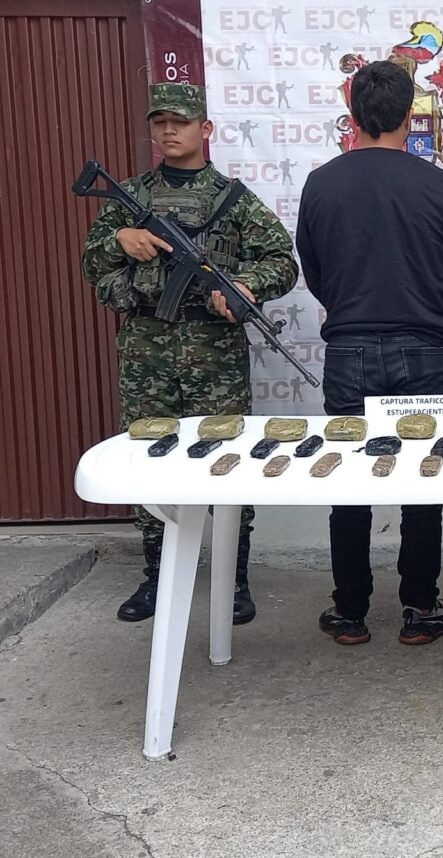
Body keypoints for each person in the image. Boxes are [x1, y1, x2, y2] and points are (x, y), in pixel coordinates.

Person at [80, 83, 299, 624]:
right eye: (160, 122)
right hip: (146, 350)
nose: (169, 130)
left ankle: (232, 578)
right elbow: (92, 268)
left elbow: (282, 261)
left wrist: (246, 285)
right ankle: (156, 575)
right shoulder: (131, 196)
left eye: (180, 121)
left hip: (215, 352)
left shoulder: (233, 199)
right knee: (147, 458)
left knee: (229, 461)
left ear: (205, 129)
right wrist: (118, 241)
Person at [295, 60, 443, 646]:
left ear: (353, 114)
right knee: (423, 480)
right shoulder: (437, 184)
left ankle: (350, 611)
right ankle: (420, 606)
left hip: (349, 347)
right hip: (424, 348)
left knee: (349, 482)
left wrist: (352, 308)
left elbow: (316, 272)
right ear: (407, 116)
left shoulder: (321, 183)